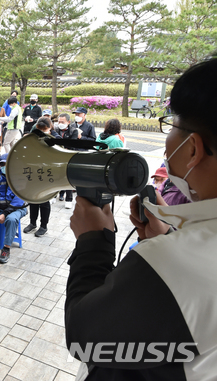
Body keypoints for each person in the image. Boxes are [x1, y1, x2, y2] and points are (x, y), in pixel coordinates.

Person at [66, 58, 217, 380]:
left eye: (172, 125)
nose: (168, 140)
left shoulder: (177, 261)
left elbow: (85, 338)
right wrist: (167, 239)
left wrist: (94, 242)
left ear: (193, 148)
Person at [23, 118, 56, 237]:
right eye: (40, 129)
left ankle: (44, 226)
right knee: (32, 198)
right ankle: (32, 223)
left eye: (44, 130)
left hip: (47, 172)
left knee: (44, 200)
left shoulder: (54, 137)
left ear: (49, 128)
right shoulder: (32, 136)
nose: (42, 131)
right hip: (33, 170)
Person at [55, 113, 81, 208]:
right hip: (57, 158)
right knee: (56, 177)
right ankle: (55, 195)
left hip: (68, 158)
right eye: (59, 121)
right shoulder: (56, 130)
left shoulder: (73, 131)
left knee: (67, 178)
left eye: (62, 122)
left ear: (68, 122)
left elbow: (72, 145)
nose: (60, 123)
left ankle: (69, 199)